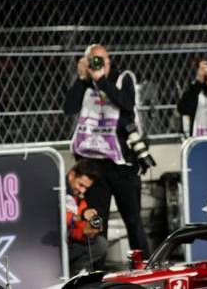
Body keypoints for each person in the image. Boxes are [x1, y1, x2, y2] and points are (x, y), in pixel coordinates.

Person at [63, 44, 149, 260]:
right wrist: (83, 79)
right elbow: (68, 108)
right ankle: (98, 271)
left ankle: (145, 267)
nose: (97, 65)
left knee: (133, 220)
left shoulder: (122, 78)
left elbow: (127, 104)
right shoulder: (85, 82)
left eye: (101, 60)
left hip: (122, 164)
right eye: (93, 60)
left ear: (109, 61)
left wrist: (102, 80)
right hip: (93, 165)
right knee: (97, 221)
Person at [65, 159, 108, 275]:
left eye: (86, 188)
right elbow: (55, 220)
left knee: (100, 243)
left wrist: (88, 232)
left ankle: (74, 272)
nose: (82, 190)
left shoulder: (80, 201)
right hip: (48, 247)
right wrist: (81, 216)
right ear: (72, 175)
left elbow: (75, 233)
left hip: (67, 246)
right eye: (81, 185)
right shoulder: (55, 189)